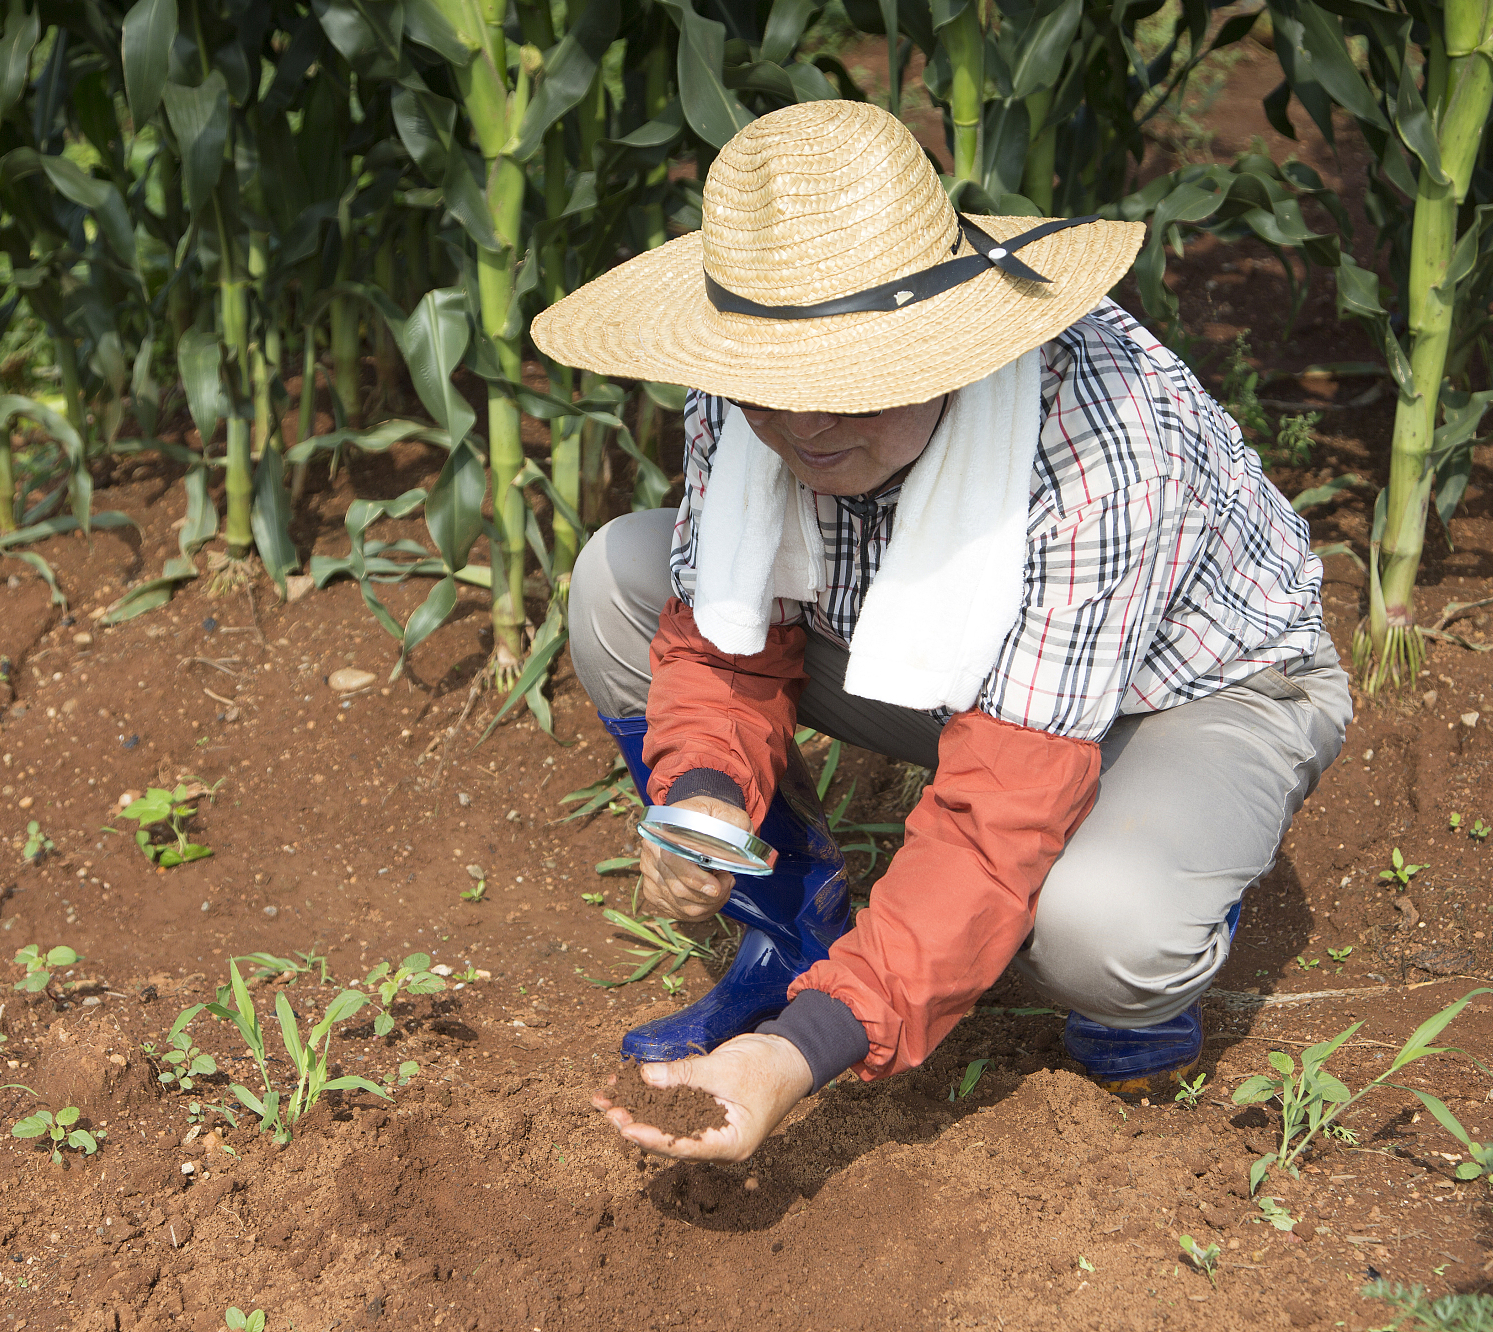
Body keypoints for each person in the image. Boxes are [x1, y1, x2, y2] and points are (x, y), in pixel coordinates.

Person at [530, 100, 1351, 1164]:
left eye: (845, 387)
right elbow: (724, 639)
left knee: (1099, 931)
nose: (800, 428)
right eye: (768, 392)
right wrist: (702, 799)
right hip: (960, 674)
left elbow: (998, 807)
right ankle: (791, 927)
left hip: (1184, 697)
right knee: (618, 578)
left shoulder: (1099, 447)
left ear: (942, 348)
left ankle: (1155, 932)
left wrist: (799, 1055)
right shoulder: (744, 381)